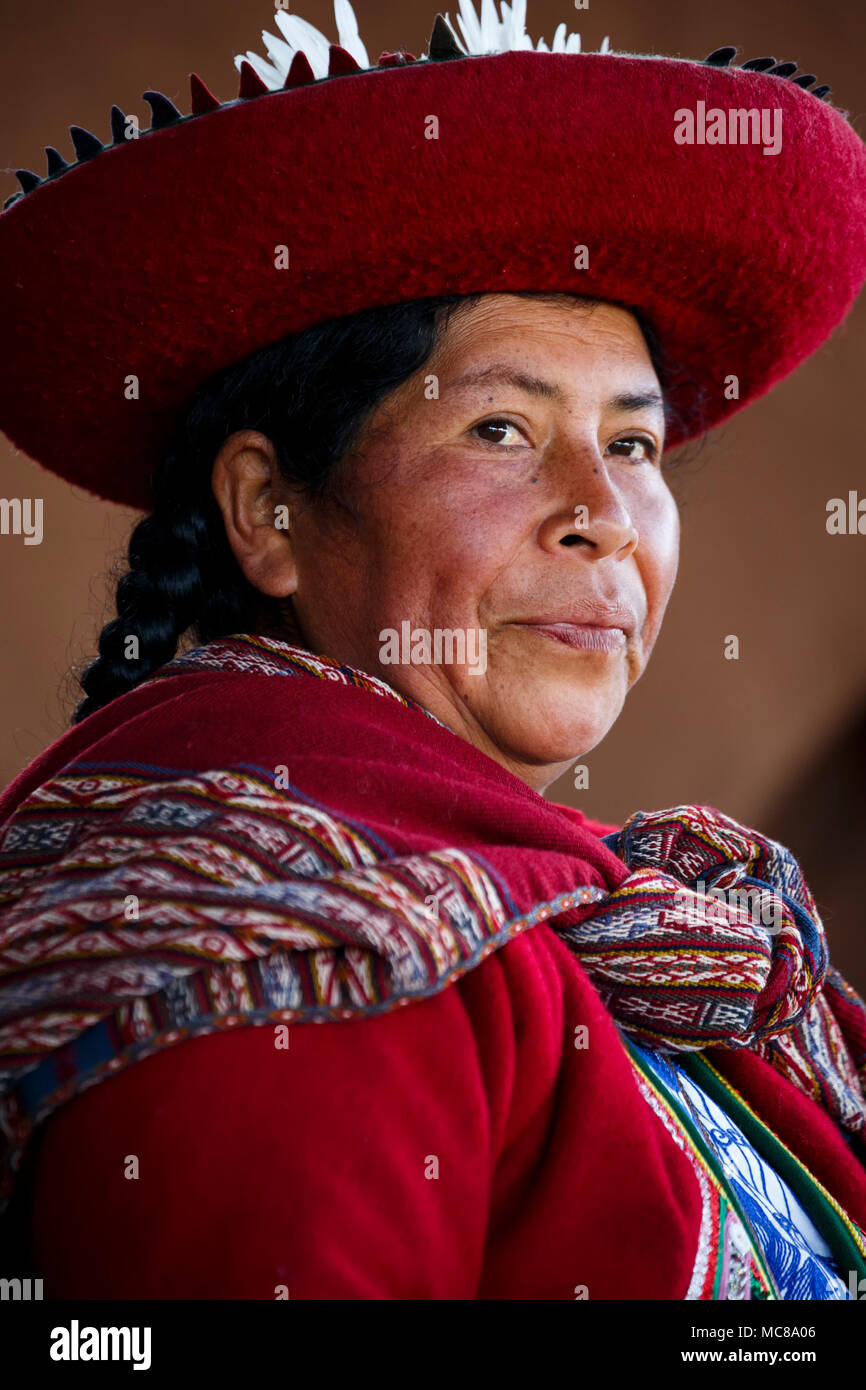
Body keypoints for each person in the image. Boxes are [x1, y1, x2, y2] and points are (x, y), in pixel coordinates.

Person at [1, 1, 865, 1300]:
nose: (599, 516)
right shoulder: (288, 963)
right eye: (501, 431)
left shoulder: (546, 927)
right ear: (268, 515)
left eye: (631, 444)